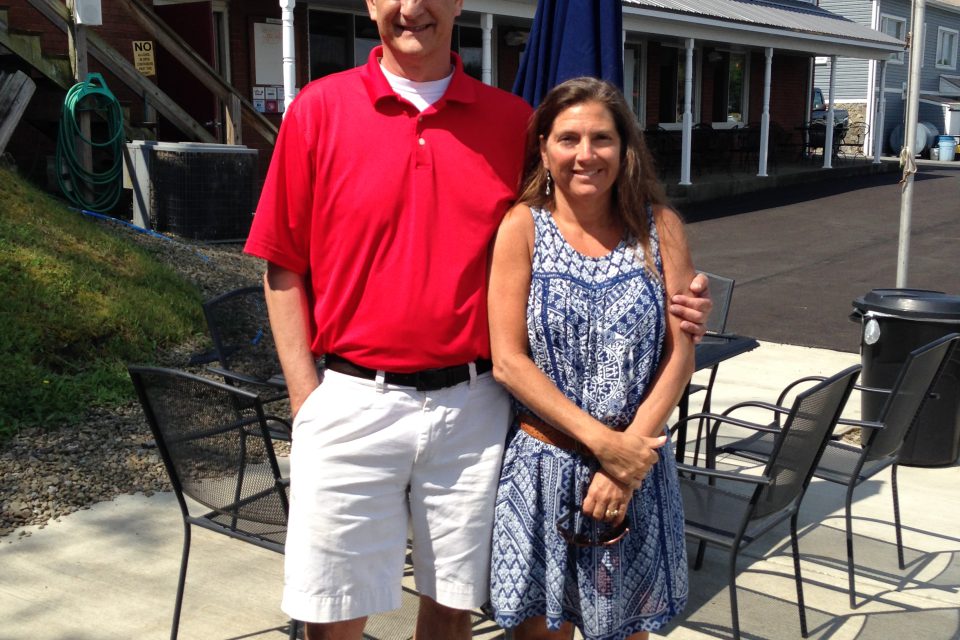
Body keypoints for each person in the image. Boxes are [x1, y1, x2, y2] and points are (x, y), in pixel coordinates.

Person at [243, 0, 711, 638]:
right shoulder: (318, 110)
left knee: (451, 605)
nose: (412, 9)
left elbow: (573, 221)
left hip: (474, 406)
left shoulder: (511, 121)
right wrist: (307, 399)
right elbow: (281, 265)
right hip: (352, 398)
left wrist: (669, 296)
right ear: (371, 4)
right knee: (332, 615)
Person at [487, 77, 695, 640]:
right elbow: (507, 360)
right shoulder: (522, 227)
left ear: (625, 149)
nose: (585, 155)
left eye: (601, 138)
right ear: (544, 149)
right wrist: (606, 448)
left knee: (627, 633)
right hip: (544, 465)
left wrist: (625, 465)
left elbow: (681, 354)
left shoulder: (661, 229)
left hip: (636, 469)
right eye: (568, 138)